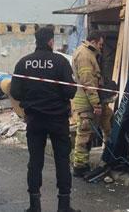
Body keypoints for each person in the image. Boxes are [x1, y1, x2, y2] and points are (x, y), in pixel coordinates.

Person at [11, 26, 79, 212]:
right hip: (58, 119)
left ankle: (35, 205)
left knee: (35, 161)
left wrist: (31, 98)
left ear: (36, 41)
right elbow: (70, 91)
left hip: (34, 119)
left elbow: (15, 92)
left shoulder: (24, 63)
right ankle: (63, 205)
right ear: (50, 41)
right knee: (62, 160)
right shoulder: (60, 62)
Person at [70, 31, 113, 178]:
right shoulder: (84, 56)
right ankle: (80, 167)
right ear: (93, 41)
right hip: (87, 103)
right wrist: (96, 104)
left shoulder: (89, 54)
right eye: (100, 44)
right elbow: (88, 81)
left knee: (108, 121)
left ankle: (110, 155)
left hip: (93, 101)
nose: (101, 47)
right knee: (85, 135)